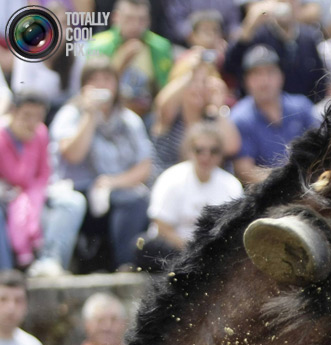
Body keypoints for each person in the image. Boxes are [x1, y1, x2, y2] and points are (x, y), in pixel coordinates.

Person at [49, 56, 153, 272]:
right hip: (79, 190)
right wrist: (90, 115)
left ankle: (125, 265)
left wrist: (112, 182)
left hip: (117, 189)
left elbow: (144, 167)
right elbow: (73, 155)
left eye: (107, 79)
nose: (101, 85)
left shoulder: (129, 120)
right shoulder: (70, 114)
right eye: (94, 80)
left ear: (116, 84)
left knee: (137, 200)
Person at [0, 92, 85, 275]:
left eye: (38, 117)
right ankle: (5, 273)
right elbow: (15, 177)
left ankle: (50, 262)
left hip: (35, 194)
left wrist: (31, 198)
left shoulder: (40, 133)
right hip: (7, 198)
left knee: (73, 202)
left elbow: (44, 174)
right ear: (13, 112)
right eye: (27, 116)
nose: (32, 123)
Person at [143, 122, 243, 269]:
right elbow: (162, 226)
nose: (206, 156)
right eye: (199, 150)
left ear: (221, 154)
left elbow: (233, 229)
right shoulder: (171, 178)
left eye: (213, 151)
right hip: (175, 248)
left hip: (212, 252)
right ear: (189, 151)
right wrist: (191, 249)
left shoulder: (231, 185)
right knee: (144, 247)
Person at [230, 45, 318, 184]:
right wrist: (287, 183)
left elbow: (322, 149)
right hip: (267, 195)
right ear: (246, 81)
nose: (264, 81)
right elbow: (245, 170)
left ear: (281, 76)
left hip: (309, 184)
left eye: (270, 72)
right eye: (257, 74)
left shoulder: (302, 107)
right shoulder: (240, 118)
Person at [150, 53, 240, 176]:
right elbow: (161, 106)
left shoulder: (214, 118)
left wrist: (219, 107)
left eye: (204, 82)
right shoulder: (171, 116)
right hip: (171, 184)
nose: (198, 87)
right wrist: (192, 72)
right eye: (193, 81)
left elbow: (231, 147)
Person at [225, 0, 327, 103]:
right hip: (263, 110)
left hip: (303, 111)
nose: (286, 4)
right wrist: (250, 24)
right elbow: (230, 66)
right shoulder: (259, 34)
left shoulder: (308, 37)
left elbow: (320, 79)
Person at [86, 0, 174, 117]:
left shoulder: (160, 47)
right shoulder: (98, 44)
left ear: (149, 20)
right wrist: (122, 61)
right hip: (109, 112)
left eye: (141, 19)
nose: (135, 25)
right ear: (116, 17)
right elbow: (93, 89)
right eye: (129, 19)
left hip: (151, 115)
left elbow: (165, 88)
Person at [8, 0, 82, 115]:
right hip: (32, 113)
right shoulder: (27, 53)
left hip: (63, 113)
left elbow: (77, 94)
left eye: (63, 23)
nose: (59, 28)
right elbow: (20, 91)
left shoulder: (75, 55)